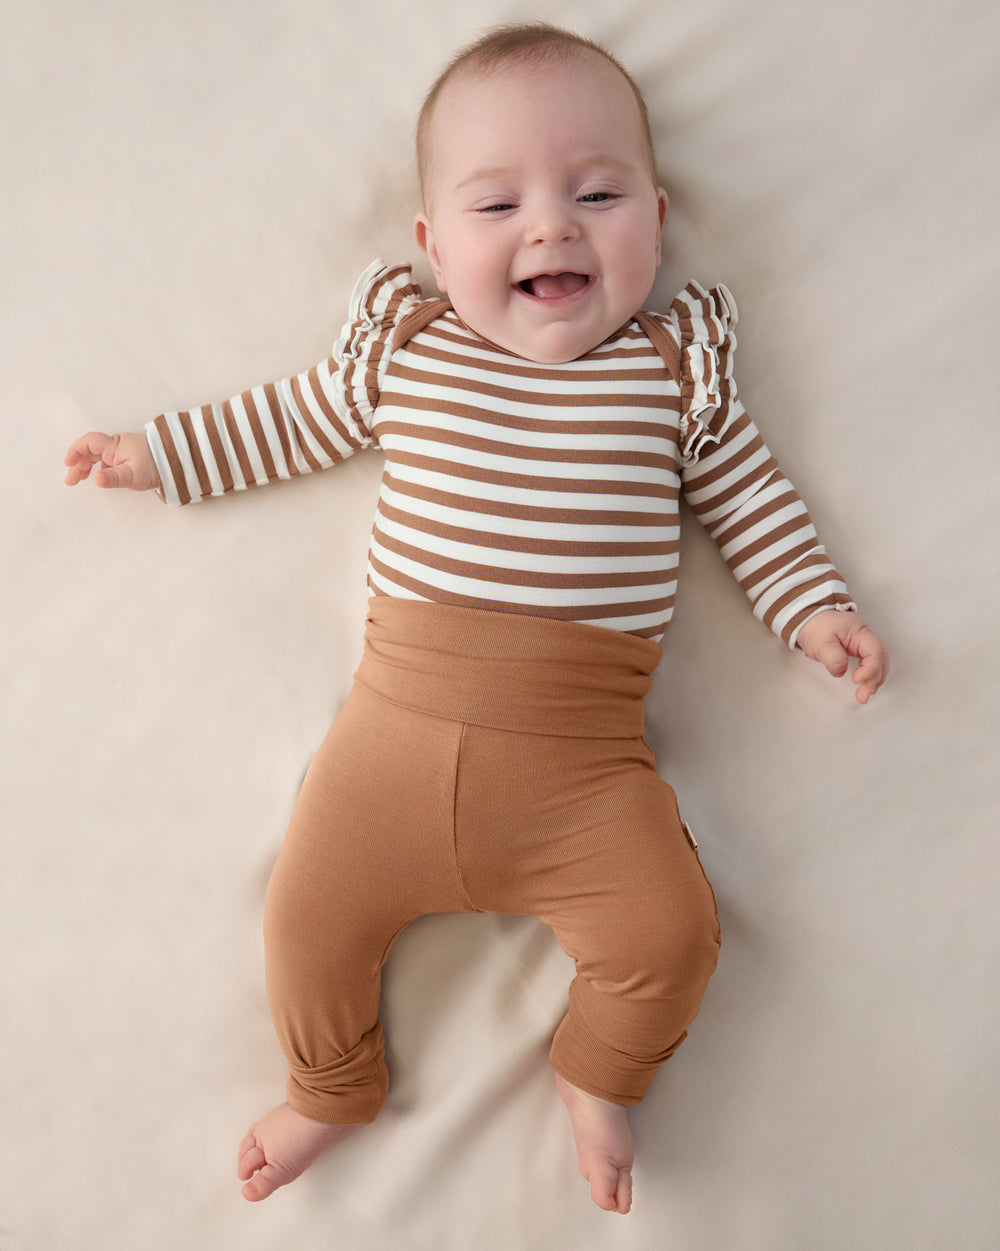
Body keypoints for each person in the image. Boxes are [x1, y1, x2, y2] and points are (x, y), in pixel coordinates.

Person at [63, 22, 889, 1217]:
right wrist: (154, 454)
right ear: (430, 244)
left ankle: (597, 1072)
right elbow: (284, 423)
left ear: (655, 221)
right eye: (495, 205)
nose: (551, 226)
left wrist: (815, 610)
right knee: (302, 917)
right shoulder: (409, 351)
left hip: (584, 781)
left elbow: (753, 502)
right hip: (383, 755)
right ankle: (330, 1086)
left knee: (672, 934)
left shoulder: (671, 378)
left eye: (596, 193)